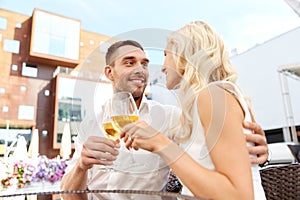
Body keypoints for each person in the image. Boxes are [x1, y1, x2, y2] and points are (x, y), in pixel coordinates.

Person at [60, 39, 268, 197]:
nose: (139, 69)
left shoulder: (171, 117)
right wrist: (81, 166)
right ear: (109, 72)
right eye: (129, 63)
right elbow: (67, 195)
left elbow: (209, 145)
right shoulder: (90, 125)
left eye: (144, 63)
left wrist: (251, 142)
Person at [120, 22, 266, 199]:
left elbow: (239, 196)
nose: (163, 67)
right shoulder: (204, 102)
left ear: (185, 54)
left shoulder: (213, 96)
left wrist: (161, 144)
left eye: (167, 55)